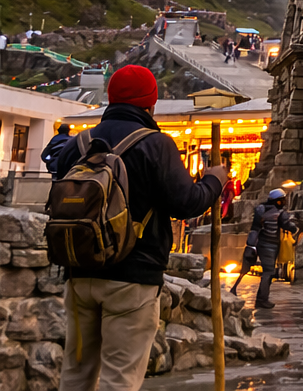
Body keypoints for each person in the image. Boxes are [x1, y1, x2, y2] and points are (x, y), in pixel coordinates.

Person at [50, 64, 225, 391]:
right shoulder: (156, 144)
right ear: (151, 104)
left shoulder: (77, 145)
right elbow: (186, 203)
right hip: (133, 278)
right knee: (119, 380)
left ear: (111, 98)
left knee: (75, 375)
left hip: (79, 274)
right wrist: (214, 180)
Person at [233, 188, 299, 308]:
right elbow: (288, 225)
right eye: (282, 200)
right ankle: (262, 299)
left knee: (262, 271)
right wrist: (294, 227)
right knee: (268, 272)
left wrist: (250, 245)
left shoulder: (261, 209)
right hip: (270, 244)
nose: (284, 202)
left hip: (260, 243)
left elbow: (255, 228)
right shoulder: (279, 213)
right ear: (277, 201)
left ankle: (249, 293)